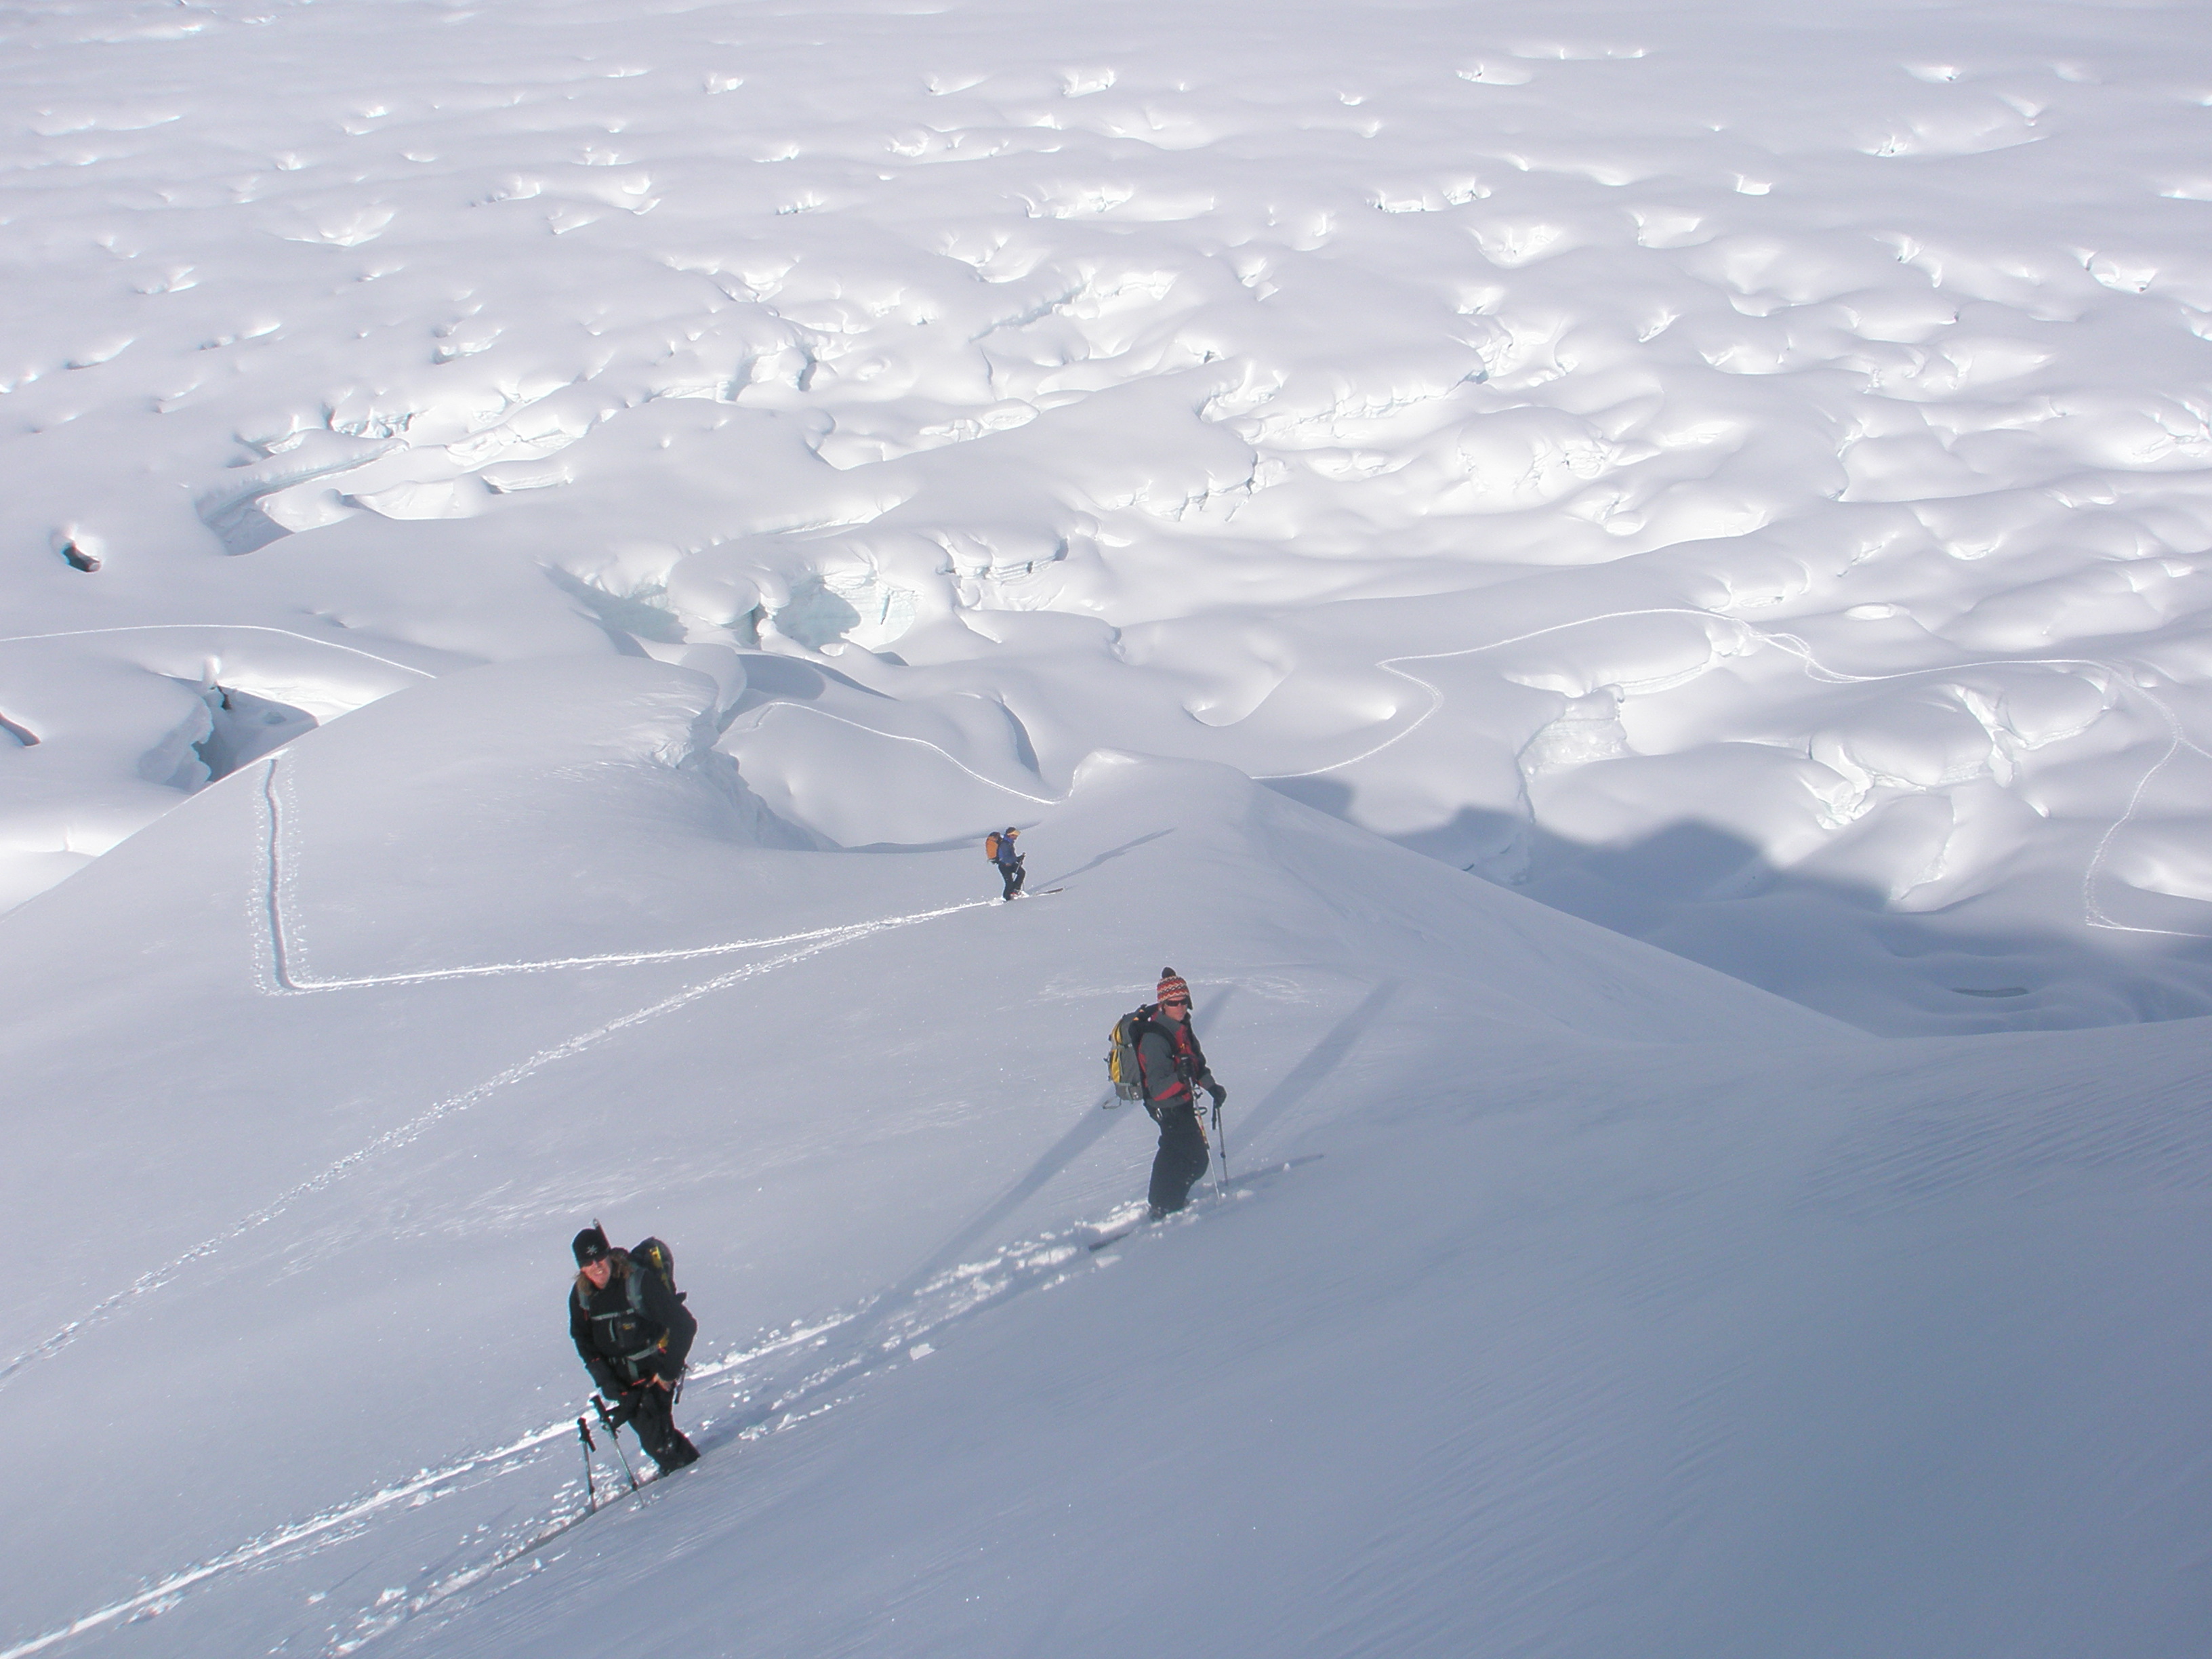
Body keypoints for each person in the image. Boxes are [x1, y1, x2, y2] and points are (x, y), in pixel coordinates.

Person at [569, 1226, 699, 1473]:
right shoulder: (582, 1295)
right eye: (588, 1262)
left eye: (600, 1257)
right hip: (622, 1383)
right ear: (581, 1267)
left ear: (608, 1254)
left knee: (658, 1441)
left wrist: (667, 1375)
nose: (596, 1266)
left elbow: (684, 1326)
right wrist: (606, 1380)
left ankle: (694, 1483)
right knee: (656, 1439)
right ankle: (686, 1472)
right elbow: (582, 1338)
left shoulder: (637, 1282)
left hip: (653, 1372)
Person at [1135, 967, 1227, 1218]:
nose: (1180, 1007)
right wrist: (1180, 1076)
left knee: (1191, 1157)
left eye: (1183, 1001)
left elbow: (1196, 1063)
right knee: (1185, 1155)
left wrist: (1211, 1087)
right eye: (1173, 1003)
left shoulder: (1182, 1027)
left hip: (1183, 1100)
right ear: (1163, 1005)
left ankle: (1167, 1200)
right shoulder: (1155, 1039)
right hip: (1165, 1107)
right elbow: (1157, 1088)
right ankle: (1163, 1204)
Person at [994, 825, 1026, 900]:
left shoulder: (1009, 843)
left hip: (1010, 864)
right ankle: (1006, 898)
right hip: (1004, 865)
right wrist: (1016, 859)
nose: (1016, 837)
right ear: (1010, 835)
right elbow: (1005, 857)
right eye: (1015, 835)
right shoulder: (1005, 844)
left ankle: (1015, 891)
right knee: (1009, 883)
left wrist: (1017, 859)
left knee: (1021, 873)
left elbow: (1010, 856)